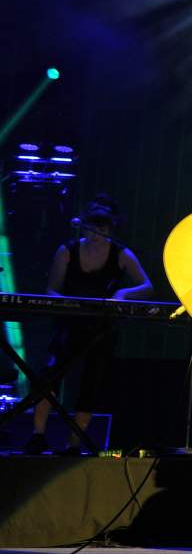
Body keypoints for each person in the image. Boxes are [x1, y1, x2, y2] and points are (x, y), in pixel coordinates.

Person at [24, 194, 154, 456]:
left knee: (91, 384)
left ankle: (73, 444)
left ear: (111, 229)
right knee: (49, 377)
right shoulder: (67, 252)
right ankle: (38, 435)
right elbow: (52, 290)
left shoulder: (121, 255)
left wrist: (123, 294)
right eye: (92, 227)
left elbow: (147, 286)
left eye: (102, 228)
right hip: (69, 326)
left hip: (101, 330)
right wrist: (70, 305)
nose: (96, 234)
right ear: (84, 226)